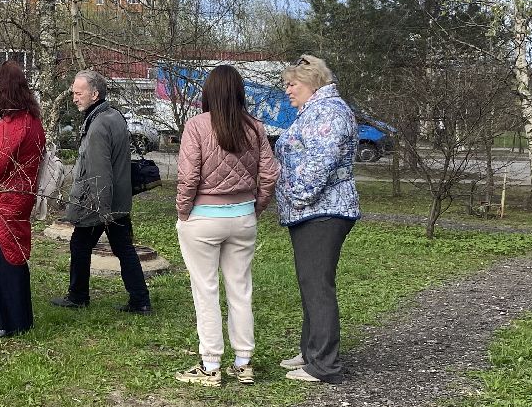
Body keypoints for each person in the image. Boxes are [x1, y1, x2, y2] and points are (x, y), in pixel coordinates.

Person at [172, 65, 279, 387]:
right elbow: (270, 174)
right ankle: (243, 363)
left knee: (205, 290)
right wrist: (255, 208)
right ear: (239, 92)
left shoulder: (196, 126)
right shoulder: (255, 128)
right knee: (240, 289)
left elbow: (189, 177)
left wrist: (183, 212)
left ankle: (210, 365)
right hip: (243, 218)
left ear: (209, 92)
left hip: (203, 218)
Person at [275, 54, 360, 384]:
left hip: (322, 211)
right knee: (311, 283)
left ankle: (324, 364)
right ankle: (312, 352)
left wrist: (297, 197)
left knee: (317, 285)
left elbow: (318, 164)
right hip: (314, 211)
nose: (287, 90)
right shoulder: (316, 110)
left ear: (312, 83)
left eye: (291, 84)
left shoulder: (327, 111)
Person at [51, 69, 152, 314]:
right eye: (74, 92)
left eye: (79, 93)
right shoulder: (114, 115)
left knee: (80, 244)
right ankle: (140, 299)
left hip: (99, 203)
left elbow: (99, 173)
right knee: (122, 248)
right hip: (114, 200)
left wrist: (102, 210)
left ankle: (78, 296)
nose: (74, 97)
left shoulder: (97, 126)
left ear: (95, 94)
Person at [0, 60, 47, 337]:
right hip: (21, 195)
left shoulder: (12, 126)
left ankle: (11, 323)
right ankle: (20, 320)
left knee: (5, 260)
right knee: (14, 257)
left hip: (3, 199)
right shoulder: (31, 119)